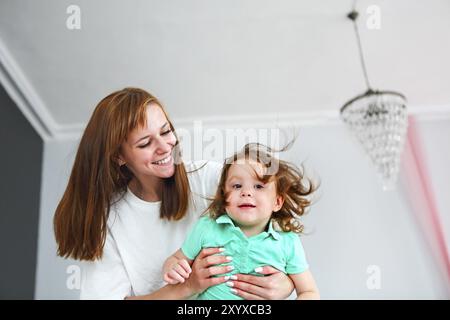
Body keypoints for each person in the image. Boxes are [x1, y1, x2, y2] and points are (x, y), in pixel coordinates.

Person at [53, 87, 295, 299]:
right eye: (145, 143)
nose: (165, 147)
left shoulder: (211, 180)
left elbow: (275, 217)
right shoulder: (108, 222)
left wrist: (286, 283)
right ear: (119, 156)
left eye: (166, 131)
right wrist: (186, 288)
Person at [162, 142, 320, 300]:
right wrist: (173, 267)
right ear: (224, 198)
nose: (246, 192)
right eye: (237, 186)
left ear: (277, 202)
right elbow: (176, 258)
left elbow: (309, 292)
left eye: (258, 186)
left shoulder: (287, 242)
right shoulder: (207, 227)